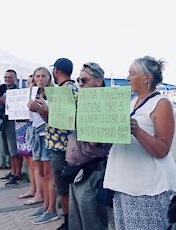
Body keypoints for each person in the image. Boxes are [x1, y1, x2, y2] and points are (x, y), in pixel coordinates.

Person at [104, 56, 176, 229]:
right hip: (124, 184)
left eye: (132, 73)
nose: (128, 78)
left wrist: (137, 130)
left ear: (147, 78)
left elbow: (162, 149)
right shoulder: (130, 103)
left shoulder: (161, 104)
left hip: (147, 187)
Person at [66, 62, 113, 230]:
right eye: (78, 80)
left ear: (98, 82)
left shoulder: (106, 105)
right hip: (76, 170)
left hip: (92, 171)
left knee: (92, 221)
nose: (80, 84)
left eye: (84, 80)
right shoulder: (83, 103)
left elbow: (94, 140)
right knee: (77, 221)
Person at [32, 58, 79, 228]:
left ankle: (68, 222)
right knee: (65, 187)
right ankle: (69, 221)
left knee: (63, 188)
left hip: (61, 146)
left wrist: (42, 108)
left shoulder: (64, 90)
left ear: (57, 71)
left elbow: (60, 120)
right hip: (68, 145)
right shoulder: (73, 88)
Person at [25, 67, 54, 219]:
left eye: (44, 76)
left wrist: (42, 108)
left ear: (49, 78)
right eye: (38, 76)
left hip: (47, 135)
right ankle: (45, 205)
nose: (40, 79)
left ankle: (51, 209)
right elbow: (27, 116)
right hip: (36, 134)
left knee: (49, 173)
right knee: (41, 172)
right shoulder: (32, 93)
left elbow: (54, 115)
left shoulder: (53, 94)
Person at [0, 69, 24, 186]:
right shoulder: (2, 88)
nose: (7, 79)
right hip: (3, 121)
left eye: (10, 77)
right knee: (8, 150)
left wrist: (3, 101)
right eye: (6, 77)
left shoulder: (18, 91)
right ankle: (13, 172)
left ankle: (18, 174)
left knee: (14, 151)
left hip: (13, 122)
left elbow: (17, 106)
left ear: (15, 79)